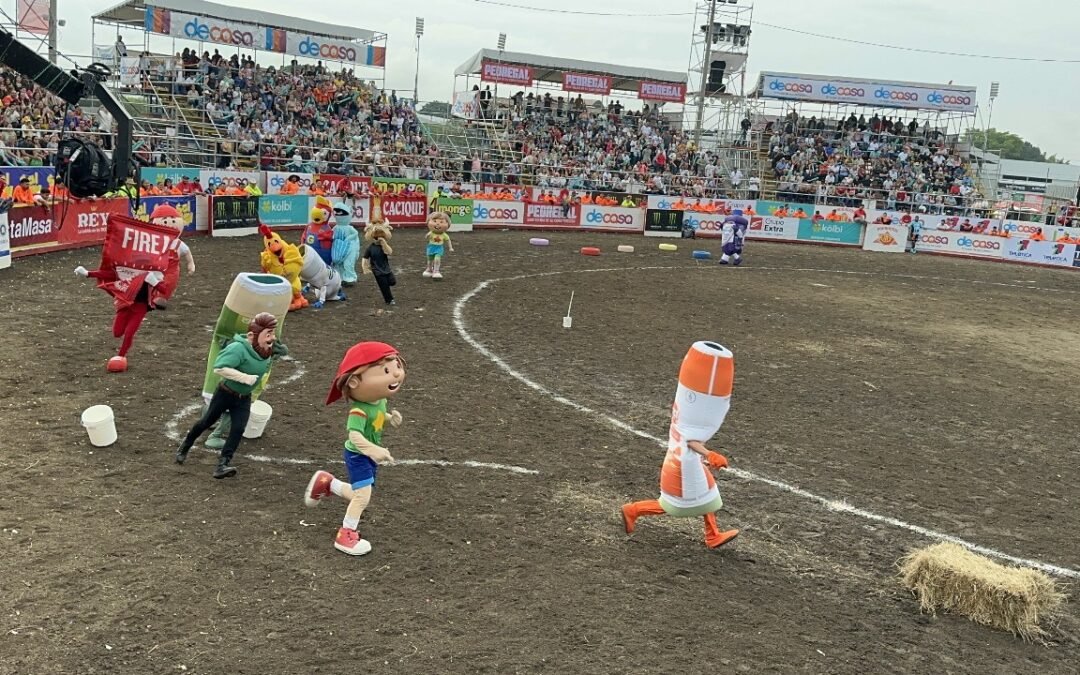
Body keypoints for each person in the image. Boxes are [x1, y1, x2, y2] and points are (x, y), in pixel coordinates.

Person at [303, 342, 406, 556]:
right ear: (355, 381)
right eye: (386, 371)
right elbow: (354, 435)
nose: (396, 374)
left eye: (396, 367)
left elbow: (377, 417)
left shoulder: (379, 401)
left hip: (367, 455)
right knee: (363, 497)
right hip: (358, 455)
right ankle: (346, 534)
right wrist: (372, 450)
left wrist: (389, 419)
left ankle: (328, 483)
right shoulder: (358, 411)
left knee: (360, 492)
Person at [175, 313, 283, 478]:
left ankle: (223, 464)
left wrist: (277, 354)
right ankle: (186, 445)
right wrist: (244, 378)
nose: (272, 338)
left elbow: (269, 359)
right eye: (268, 334)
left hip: (244, 398)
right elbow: (220, 368)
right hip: (225, 393)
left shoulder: (265, 349)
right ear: (251, 335)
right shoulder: (238, 348)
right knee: (207, 421)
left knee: (238, 429)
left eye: (272, 334)